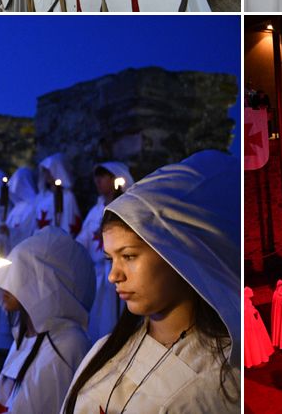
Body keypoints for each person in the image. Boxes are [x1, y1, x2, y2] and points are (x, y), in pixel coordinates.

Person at [61, 150, 239, 413]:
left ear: (178, 254)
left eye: (129, 256)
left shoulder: (214, 383)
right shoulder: (105, 348)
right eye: (111, 259)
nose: (114, 276)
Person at [0, 228, 96, 414]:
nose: (6, 282)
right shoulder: (26, 335)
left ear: (42, 284)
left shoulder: (67, 345)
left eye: (19, 273)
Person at [74, 161, 136, 344]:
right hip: (99, 273)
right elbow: (84, 237)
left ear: (114, 178)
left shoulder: (126, 206)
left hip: (118, 271)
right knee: (98, 318)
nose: (98, 181)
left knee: (114, 315)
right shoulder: (96, 209)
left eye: (103, 177)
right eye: (97, 177)